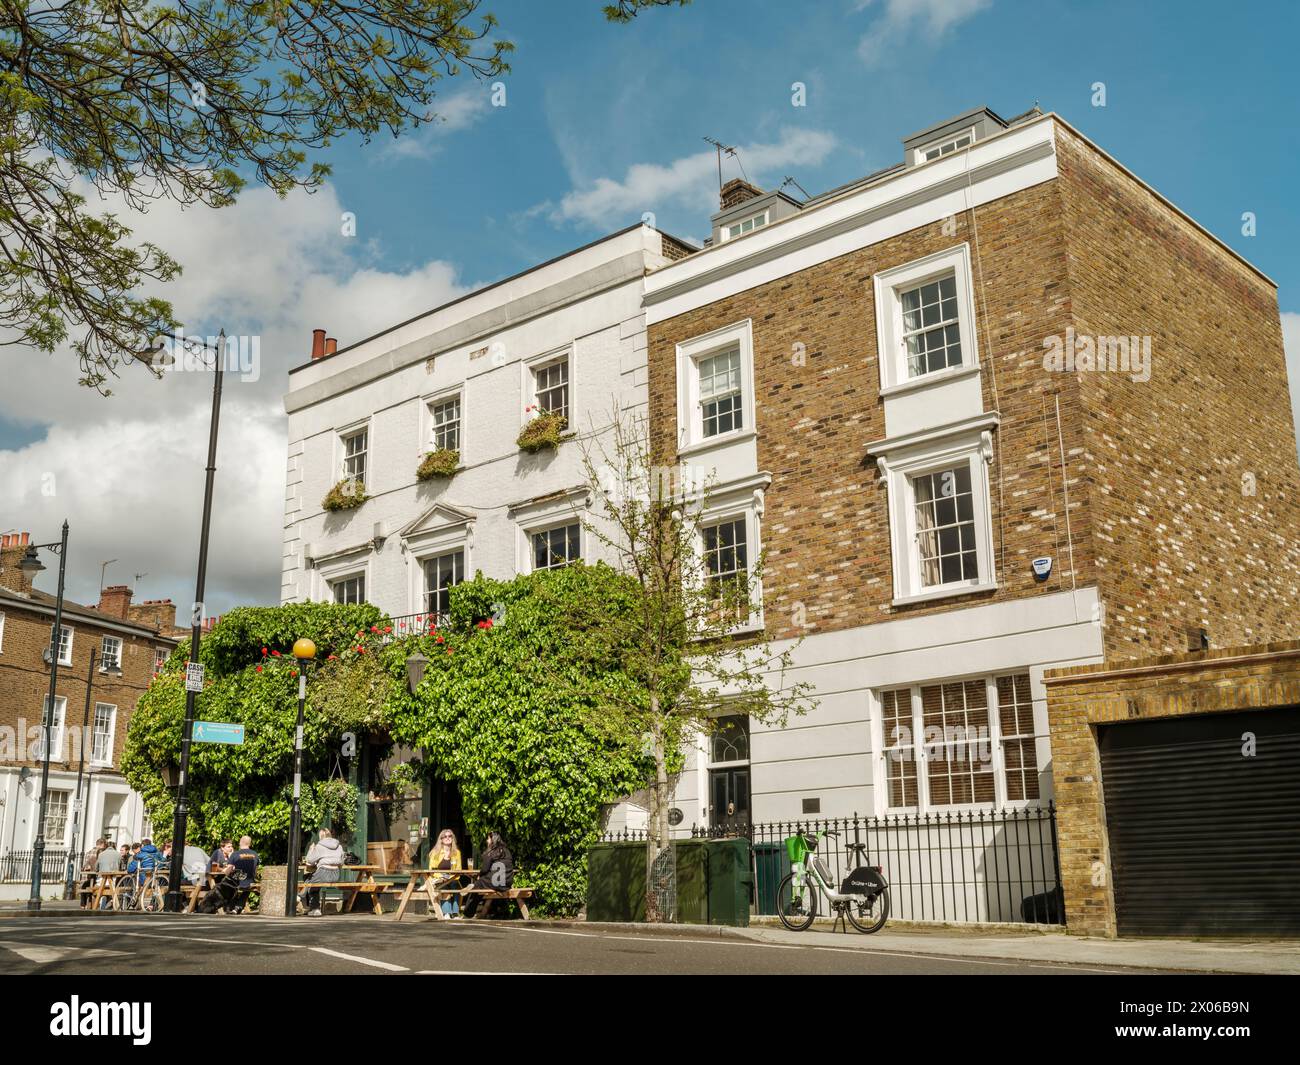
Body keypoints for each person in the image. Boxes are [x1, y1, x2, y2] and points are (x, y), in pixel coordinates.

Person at [462, 831, 513, 919]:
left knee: (477, 886)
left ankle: (468, 913)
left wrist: (479, 876)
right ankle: (496, 911)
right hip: (507, 883)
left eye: (488, 839)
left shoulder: (490, 852)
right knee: (482, 885)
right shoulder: (506, 851)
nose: (487, 841)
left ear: (493, 840)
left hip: (495, 882)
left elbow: (485, 869)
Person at [300, 828, 346, 917]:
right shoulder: (339, 846)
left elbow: (309, 860)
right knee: (311, 880)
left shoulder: (319, 846)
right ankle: (302, 895)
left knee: (311, 882)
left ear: (321, 836)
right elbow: (341, 861)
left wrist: (311, 849)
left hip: (323, 872)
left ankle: (314, 908)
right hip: (336, 874)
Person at [426, 828, 463, 920]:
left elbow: (459, 869)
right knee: (444, 886)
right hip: (439, 878)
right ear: (441, 839)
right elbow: (432, 870)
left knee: (456, 886)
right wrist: (443, 876)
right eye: (445, 836)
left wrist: (451, 877)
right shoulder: (435, 852)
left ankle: (455, 913)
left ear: (453, 838)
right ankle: (447, 912)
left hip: (452, 878)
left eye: (450, 836)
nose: (447, 838)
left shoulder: (457, 853)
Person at [223, 836, 259, 914]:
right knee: (247, 889)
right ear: (249, 843)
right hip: (250, 881)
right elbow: (255, 870)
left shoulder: (235, 854)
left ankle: (231, 907)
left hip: (238, 881)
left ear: (240, 843)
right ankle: (237, 907)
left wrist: (224, 872)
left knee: (228, 885)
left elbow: (228, 870)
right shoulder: (255, 854)